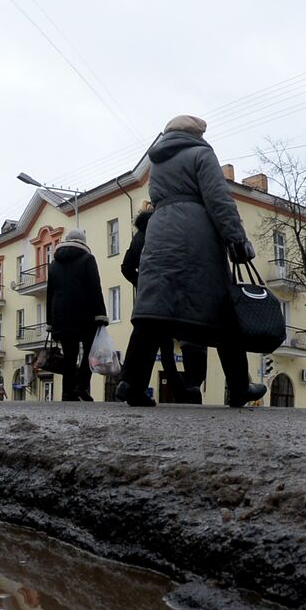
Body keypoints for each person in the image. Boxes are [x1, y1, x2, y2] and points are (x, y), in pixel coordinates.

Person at [118, 115, 267, 408]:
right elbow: (218, 198)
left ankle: (131, 382)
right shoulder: (201, 153)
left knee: (153, 312)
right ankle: (239, 387)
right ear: (197, 134)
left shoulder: (158, 162)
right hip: (197, 235)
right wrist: (237, 239)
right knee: (224, 310)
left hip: (160, 233)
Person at [121, 202, 205, 403]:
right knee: (162, 347)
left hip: (145, 296)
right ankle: (178, 392)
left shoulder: (138, 236)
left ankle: (128, 383)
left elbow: (126, 267)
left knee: (145, 340)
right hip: (166, 295)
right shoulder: (165, 231)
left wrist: (140, 283)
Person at [45, 229, 106, 401]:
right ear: (84, 242)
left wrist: (50, 320)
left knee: (69, 354)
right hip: (85, 314)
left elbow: (50, 293)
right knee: (89, 352)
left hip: (61, 315)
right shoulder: (87, 259)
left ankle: (67, 392)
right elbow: (95, 287)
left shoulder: (54, 264)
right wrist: (101, 314)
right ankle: (81, 387)